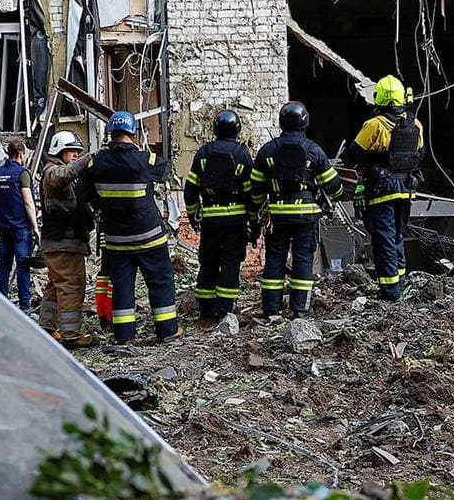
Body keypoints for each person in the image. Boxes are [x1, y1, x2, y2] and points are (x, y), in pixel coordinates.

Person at [81, 112, 180, 343]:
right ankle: (168, 331)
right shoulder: (144, 160)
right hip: (149, 237)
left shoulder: (97, 163)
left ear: (110, 134)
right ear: (132, 132)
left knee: (123, 286)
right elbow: (165, 170)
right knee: (160, 281)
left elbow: (85, 195)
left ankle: (124, 336)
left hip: (117, 239)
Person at [250, 101, 340, 318]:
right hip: (305, 217)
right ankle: (300, 309)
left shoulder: (267, 151)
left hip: (277, 216)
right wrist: (332, 197)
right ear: (305, 122)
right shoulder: (313, 150)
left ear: (281, 122)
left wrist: (258, 211)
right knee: (302, 260)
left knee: (274, 259)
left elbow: (256, 190)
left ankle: (271, 309)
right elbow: (334, 186)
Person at [350, 74, 423, 301]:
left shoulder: (375, 125)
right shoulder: (415, 124)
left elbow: (354, 153)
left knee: (384, 239)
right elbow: (420, 155)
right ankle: (399, 284)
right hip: (405, 187)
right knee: (398, 236)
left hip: (382, 190)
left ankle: (390, 291)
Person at [182, 110, 255, 323]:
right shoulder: (242, 155)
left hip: (210, 221)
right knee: (231, 263)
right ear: (238, 129)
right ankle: (225, 310)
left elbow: (190, 190)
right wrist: (254, 220)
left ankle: (205, 310)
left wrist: (194, 215)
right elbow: (251, 193)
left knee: (208, 262)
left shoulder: (203, 153)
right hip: (235, 221)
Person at [37, 131, 94, 347]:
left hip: (62, 242)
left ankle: (47, 327)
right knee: (72, 285)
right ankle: (71, 335)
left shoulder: (64, 175)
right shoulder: (52, 172)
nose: (76, 156)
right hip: (64, 243)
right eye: (73, 152)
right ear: (59, 151)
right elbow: (62, 175)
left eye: (79, 152)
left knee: (55, 285)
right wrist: (89, 158)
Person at [0, 139, 38, 312]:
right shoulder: (22, 173)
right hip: (20, 228)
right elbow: (28, 202)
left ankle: (1, 303)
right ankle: (25, 306)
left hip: (3, 228)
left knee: (4, 265)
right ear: (21, 154)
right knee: (23, 266)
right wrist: (35, 227)